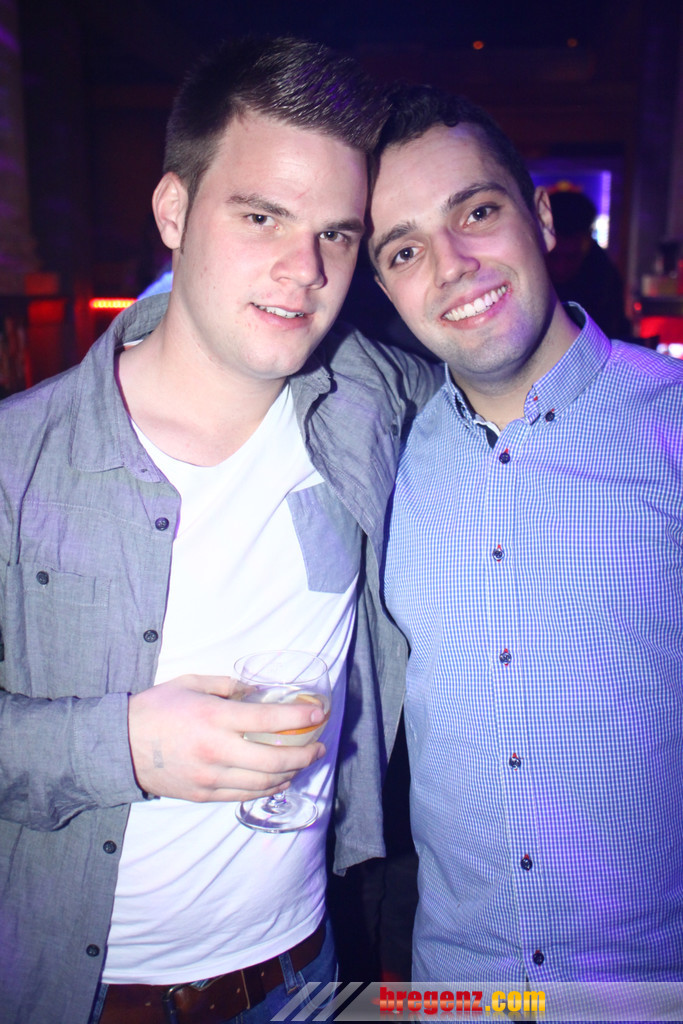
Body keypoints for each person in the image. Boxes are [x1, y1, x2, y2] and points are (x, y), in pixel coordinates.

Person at [0, 41, 437, 1024]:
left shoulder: (371, 404)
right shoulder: (16, 463)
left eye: (336, 234)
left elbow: (505, 382)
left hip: (307, 972)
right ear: (173, 211)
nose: (303, 270)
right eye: (261, 216)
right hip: (82, 997)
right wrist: (120, 744)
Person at [368, 84, 683, 985]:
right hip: (451, 990)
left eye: (476, 211)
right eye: (404, 249)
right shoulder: (387, 452)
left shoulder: (667, 427)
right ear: (384, 285)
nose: (452, 265)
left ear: (539, 218)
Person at [546, 188, 631, 339]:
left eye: (571, 257)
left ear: (587, 242)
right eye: (554, 257)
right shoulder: (527, 271)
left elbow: (613, 334)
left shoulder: (604, 278)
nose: (561, 267)